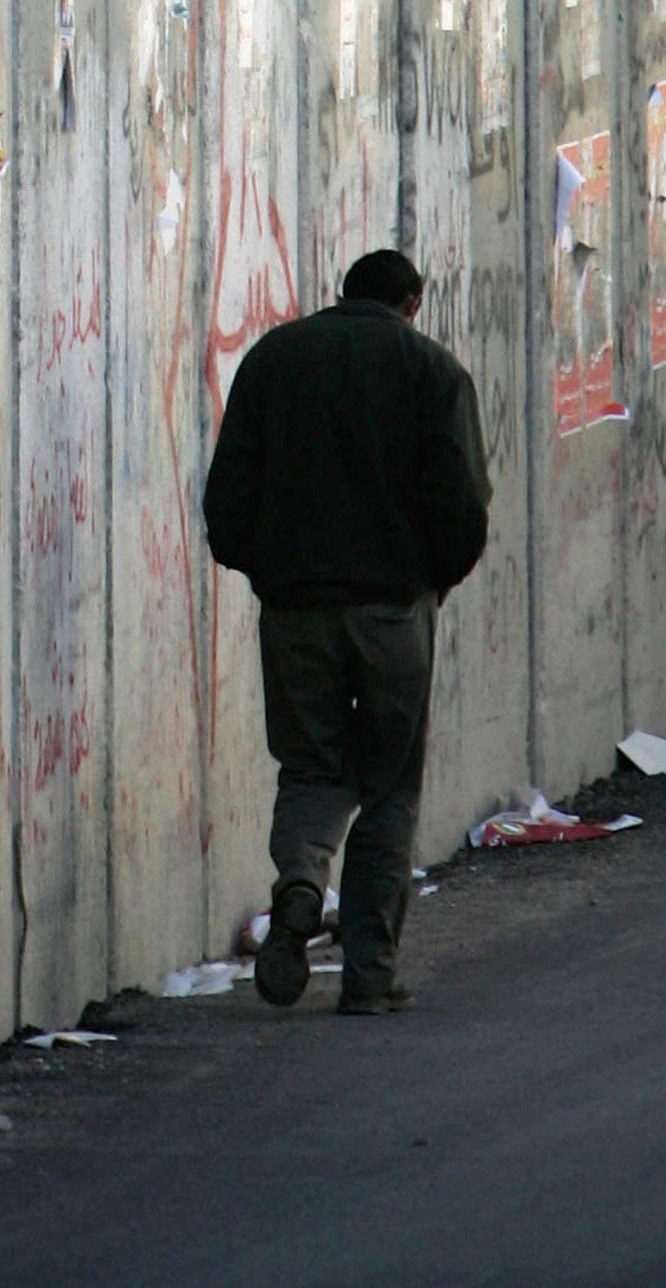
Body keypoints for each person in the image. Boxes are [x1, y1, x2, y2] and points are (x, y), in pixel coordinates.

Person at [203, 249, 491, 1015]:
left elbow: (228, 498)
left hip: (298, 609)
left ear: (343, 294)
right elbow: (463, 505)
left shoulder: (274, 360)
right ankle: (368, 974)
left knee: (312, 768)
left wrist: (269, 569)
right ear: (412, 302)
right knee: (390, 783)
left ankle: (301, 882)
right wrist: (433, 579)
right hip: (396, 610)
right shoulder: (432, 371)